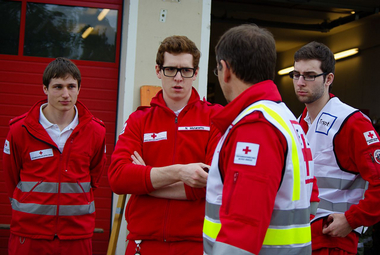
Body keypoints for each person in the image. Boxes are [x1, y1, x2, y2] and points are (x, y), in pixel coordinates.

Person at [203, 24, 317, 255]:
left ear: (225, 70)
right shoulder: (284, 118)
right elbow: (310, 202)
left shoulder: (256, 127)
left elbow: (241, 231)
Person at [108, 35, 223, 255]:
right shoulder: (138, 121)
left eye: (186, 70)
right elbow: (118, 178)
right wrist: (181, 172)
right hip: (144, 244)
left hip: (195, 245)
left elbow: (214, 182)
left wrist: (146, 183)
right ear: (158, 71)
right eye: (171, 69)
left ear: (196, 73)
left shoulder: (214, 118)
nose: (178, 78)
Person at [2, 57, 107, 255]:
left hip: (76, 236)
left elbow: (95, 177)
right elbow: (11, 178)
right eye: (58, 86)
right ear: (45, 89)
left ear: (79, 89)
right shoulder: (20, 130)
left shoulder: (96, 131)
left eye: (71, 86)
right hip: (29, 235)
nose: (65, 94)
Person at [291, 41, 380, 255]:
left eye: (310, 75)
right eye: (296, 74)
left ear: (328, 79)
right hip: (299, 237)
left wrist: (351, 220)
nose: (300, 82)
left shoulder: (351, 122)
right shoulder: (297, 123)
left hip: (333, 241)